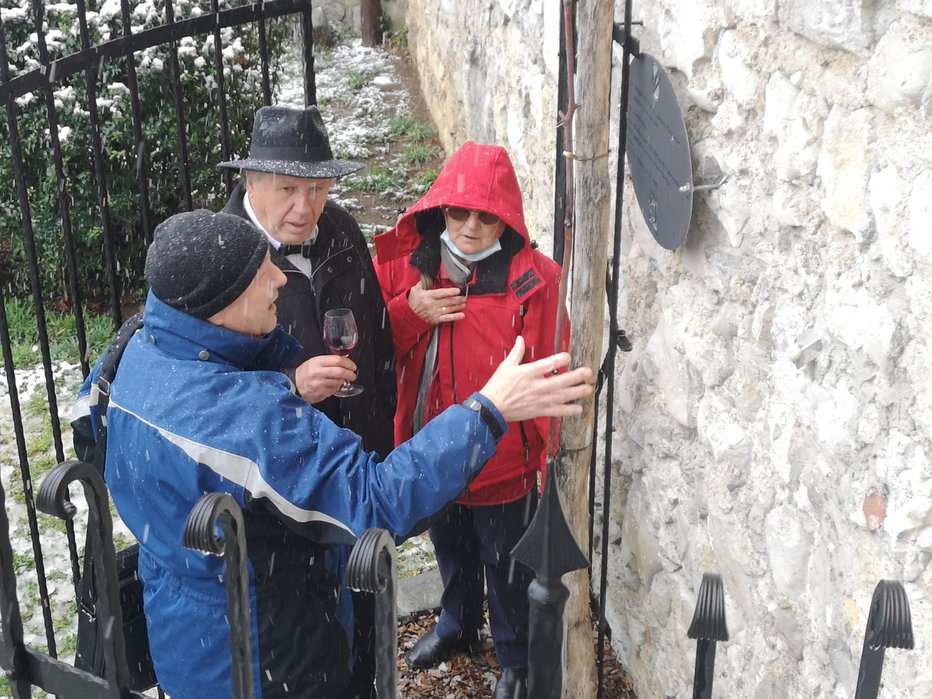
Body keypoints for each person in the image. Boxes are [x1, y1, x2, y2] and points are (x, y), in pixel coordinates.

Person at [70, 209, 592, 699]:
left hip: (184, 629)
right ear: (221, 305)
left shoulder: (135, 347)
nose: (279, 280)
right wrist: (488, 412)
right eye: (261, 274)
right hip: (268, 658)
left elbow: (94, 434)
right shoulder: (244, 420)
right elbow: (374, 503)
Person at [373, 141, 567, 699]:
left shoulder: (535, 281)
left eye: (487, 215)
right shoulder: (409, 267)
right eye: (460, 211)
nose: (472, 226)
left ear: (505, 217)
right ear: (441, 209)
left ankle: (514, 658)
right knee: (451, 549)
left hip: (502, 459)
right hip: (434, 448)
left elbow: (552, 362)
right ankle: (457, 625)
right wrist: (413, 310)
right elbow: (374, 345)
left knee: (507, 565)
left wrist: (539, 447)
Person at [218, 105, 395, 696]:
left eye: (317, 188)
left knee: (370, 610)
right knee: (310, 648)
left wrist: (382, 440)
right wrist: (291, 386)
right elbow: (207, 393)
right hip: (283, 496)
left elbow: (377, 336)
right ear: (250, 183)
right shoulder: (221, 260)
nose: (306, 206)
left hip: (358, 465)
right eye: (289, 189)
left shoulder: (341, 229)